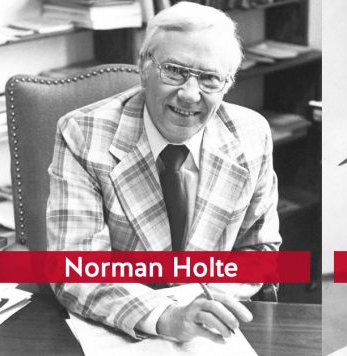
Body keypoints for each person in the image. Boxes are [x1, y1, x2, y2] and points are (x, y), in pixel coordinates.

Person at [46, 2, 281, 341]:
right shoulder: (83, 134)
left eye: (210, 79)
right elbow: (76, 268)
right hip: (118, 330)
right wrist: (167, 316)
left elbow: (260, 250)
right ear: (143, 66)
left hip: (211, 332)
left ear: (228, 84)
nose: (189, 94)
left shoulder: (251, 134)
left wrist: (209, 301)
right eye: (174, 70)